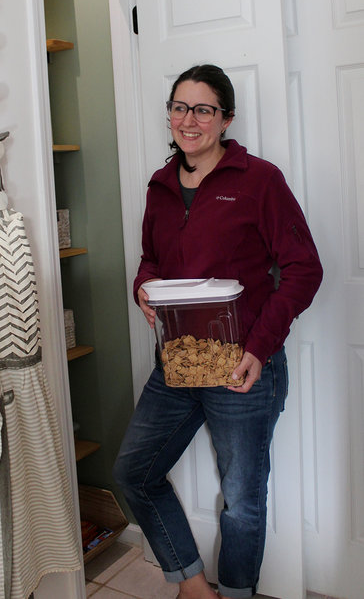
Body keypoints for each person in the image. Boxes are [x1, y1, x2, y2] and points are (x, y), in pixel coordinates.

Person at [113, 64, 323, 599]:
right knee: (135, 472)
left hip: (241, 366)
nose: (189, 120)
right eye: (179, 107)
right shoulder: (160, 187)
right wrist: (143, 286)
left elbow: (303, 268)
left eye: (203, 109)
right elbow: (151, 261)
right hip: (178, 362)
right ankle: (192, 585)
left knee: (243, 500)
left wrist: (259, 348)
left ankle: (236, 593)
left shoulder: (259, 181)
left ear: (225, 119)